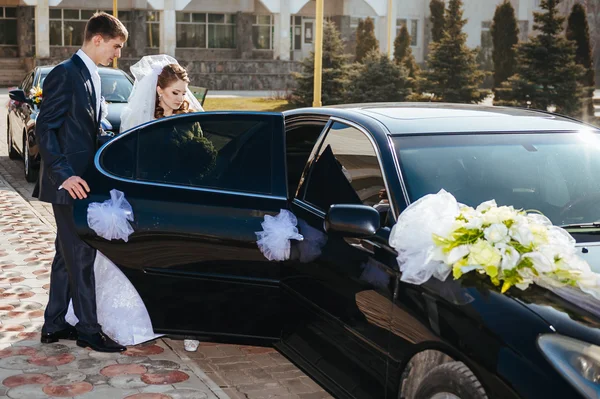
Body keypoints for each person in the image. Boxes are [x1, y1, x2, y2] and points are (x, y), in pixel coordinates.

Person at [64, 55, 205, 351]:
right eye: (174, 93)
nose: (181, 99)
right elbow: (135, 165)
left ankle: (188, 323)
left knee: (188, 261)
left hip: (184, 200)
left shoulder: (189, 118)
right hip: (155, 201)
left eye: (183, 92)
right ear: (158, 90)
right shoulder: (144, 122)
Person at [34, 12, 128, 353]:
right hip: (69, 185)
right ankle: (89, 329)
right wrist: (64, 174)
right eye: (115, 47)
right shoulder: (65, 73)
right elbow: (45, 129)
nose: (117, 54)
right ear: (98, 39)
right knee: (81, 255)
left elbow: (89, 130)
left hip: (84, 181)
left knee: (65, 256)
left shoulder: (94, 76)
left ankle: (54, 323)